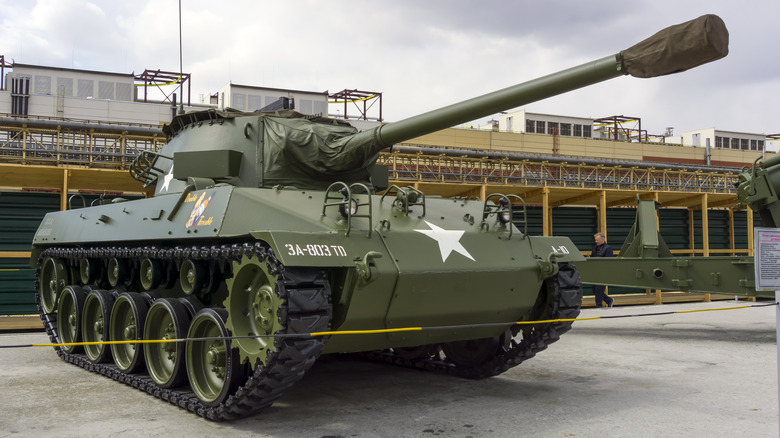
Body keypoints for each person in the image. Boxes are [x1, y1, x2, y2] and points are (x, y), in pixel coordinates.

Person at [590, 232, 614, 308]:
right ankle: (609, 300)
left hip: (603, 272)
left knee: (599, 290)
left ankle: (598, 307)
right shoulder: (594, 248)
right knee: (594, 290)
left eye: (597, 240)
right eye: (595, 240)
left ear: (603, 239)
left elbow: (608, 262)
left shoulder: (608, 249)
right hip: (595, 272)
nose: (596, 241)